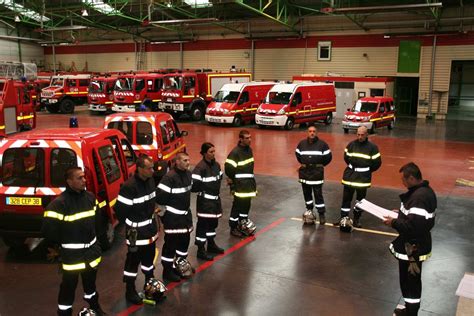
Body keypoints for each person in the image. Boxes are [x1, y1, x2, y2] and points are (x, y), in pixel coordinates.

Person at [41, 167, 105, 316]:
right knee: (68, 288)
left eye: (84, 177)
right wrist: (58, 248)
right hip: (72, 258)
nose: (84, 180)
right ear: (69, 182)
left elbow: (98, 223)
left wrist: (97, 245)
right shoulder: (59, 204)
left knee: (91, 286)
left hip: (91, 254)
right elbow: (48, 231)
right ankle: (64, 313)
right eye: (79, 178)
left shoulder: (90, 198)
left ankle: (95, 308)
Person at [383, 162, 436, 316]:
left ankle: (411, 312)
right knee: (408, 281)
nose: (402, 183)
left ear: (412, 178)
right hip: (415, 244)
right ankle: (409, 309)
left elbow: (413, 227)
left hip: (413, 248)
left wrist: (393, 222)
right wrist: (399, 213)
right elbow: (415, 218)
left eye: (404, 180)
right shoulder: (423, 192)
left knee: (410, 282)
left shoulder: (419, 197)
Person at [115, 154, 159, 305]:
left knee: (149, 260)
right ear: (140, 169)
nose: (152, 171)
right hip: (136, 233)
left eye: (153, 167)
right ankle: (130, 290)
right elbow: (120, 212)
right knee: (133, 262)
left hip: (150, 230)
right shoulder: (129, 187)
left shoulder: (150, 180)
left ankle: (149, 285)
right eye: (149, 168)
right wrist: (132, 226)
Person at [156, 152, 194, 282]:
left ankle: (181, 264)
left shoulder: (189, 175)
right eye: (184, 160)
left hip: (185, 218)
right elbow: (160, 197)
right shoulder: (169, 178)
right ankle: (167, 271)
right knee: (170, 246)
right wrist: (164, 215)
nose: (188, 162)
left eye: (188, 160)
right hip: (173, 219)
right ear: (177, 162)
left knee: (184, 242)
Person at [337, 126, 381, 228]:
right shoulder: (351, 145)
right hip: (350, 177)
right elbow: (346, 157)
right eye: (358, 134)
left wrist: (367, 171)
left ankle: (356, 219)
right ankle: (343, 218)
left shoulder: (373, 148)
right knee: (346, 199)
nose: (360, 137)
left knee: (360, 201)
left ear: (366, 135)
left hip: (363, 179)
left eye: (362, 135)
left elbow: (377, 163)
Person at [192, 142, 225, 261]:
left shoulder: (216, 165)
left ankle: (211, 244)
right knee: (203, 226)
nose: (213, 154)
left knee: (212, 224)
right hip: (205, 203)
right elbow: (194, 186)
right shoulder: (200, 168)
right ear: (204, 153)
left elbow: (219, 177)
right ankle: (201, 250)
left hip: (214, 202)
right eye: (211, 152)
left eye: (214, 151)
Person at [295, 125, 332, 225]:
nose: (312, 133)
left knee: (318, 194)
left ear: (316, 133)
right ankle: (309, 210)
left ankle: (321, 214)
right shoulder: (301, 144)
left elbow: (328, 158)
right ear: (308, 132)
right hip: (304, 173)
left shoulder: (323, 145)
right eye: (310, 131)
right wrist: (306, 164)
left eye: (314, 131)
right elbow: (298, 155)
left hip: (317, 173)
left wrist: (318, 165)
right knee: (306, 193)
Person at [225, 130, 257, 237]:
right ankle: (233, 227)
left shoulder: (249, 150)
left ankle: (243, 223)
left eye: (250, 137)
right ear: (241, 139)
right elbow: (229, 169)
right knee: (237, 206)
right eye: (247, 138)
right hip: (239, 185)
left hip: (248, 185)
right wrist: (233, 182)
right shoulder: (235, 153)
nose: (249, 140)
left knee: (246, 205)